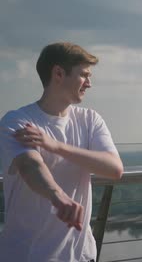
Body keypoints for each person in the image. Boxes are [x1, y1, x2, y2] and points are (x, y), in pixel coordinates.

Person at [0, 42, 124, 262]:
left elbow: (114, 168)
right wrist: (59, 198)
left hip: (81, 255)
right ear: (58, 73)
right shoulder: (17, 120)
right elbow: (30, 166)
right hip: (27, 255)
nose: (89, 83)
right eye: (84, 75)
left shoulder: (90, 120)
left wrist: (55, 146)